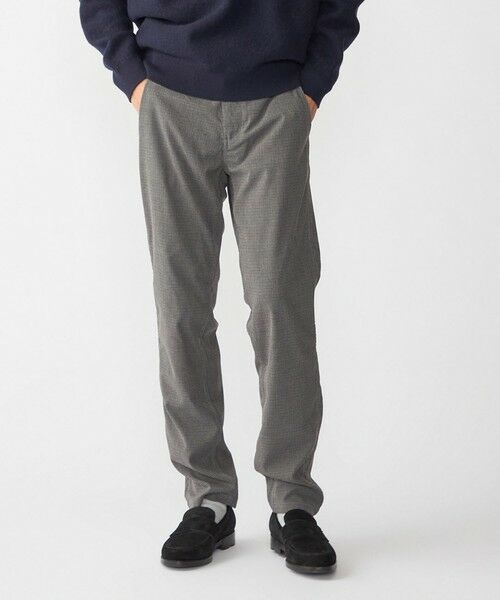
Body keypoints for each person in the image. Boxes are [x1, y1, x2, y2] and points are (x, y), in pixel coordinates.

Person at [80, 0, 363, 575]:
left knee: (280, 303)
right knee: (180, 306)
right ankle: (207, 498)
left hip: (275, 101)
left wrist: (312, 84)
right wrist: (134, 79)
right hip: (170, 99)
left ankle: (291, 501)